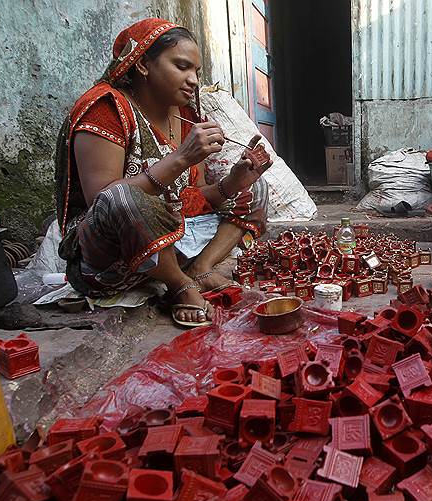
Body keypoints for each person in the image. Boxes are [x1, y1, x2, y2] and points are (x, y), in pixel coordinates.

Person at [54, 18, 271, 327]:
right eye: (182, 67)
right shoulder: (106, 108)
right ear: (143, 63)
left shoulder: (184, 116)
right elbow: (103, 201)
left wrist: (232, 183)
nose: (193, 80)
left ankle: (201, 270)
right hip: (110, 260)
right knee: (123, 197)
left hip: (170, 238)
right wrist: (181, 158)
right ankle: (178, 285)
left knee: (256, 189)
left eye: (196, 71)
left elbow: (188, 200)